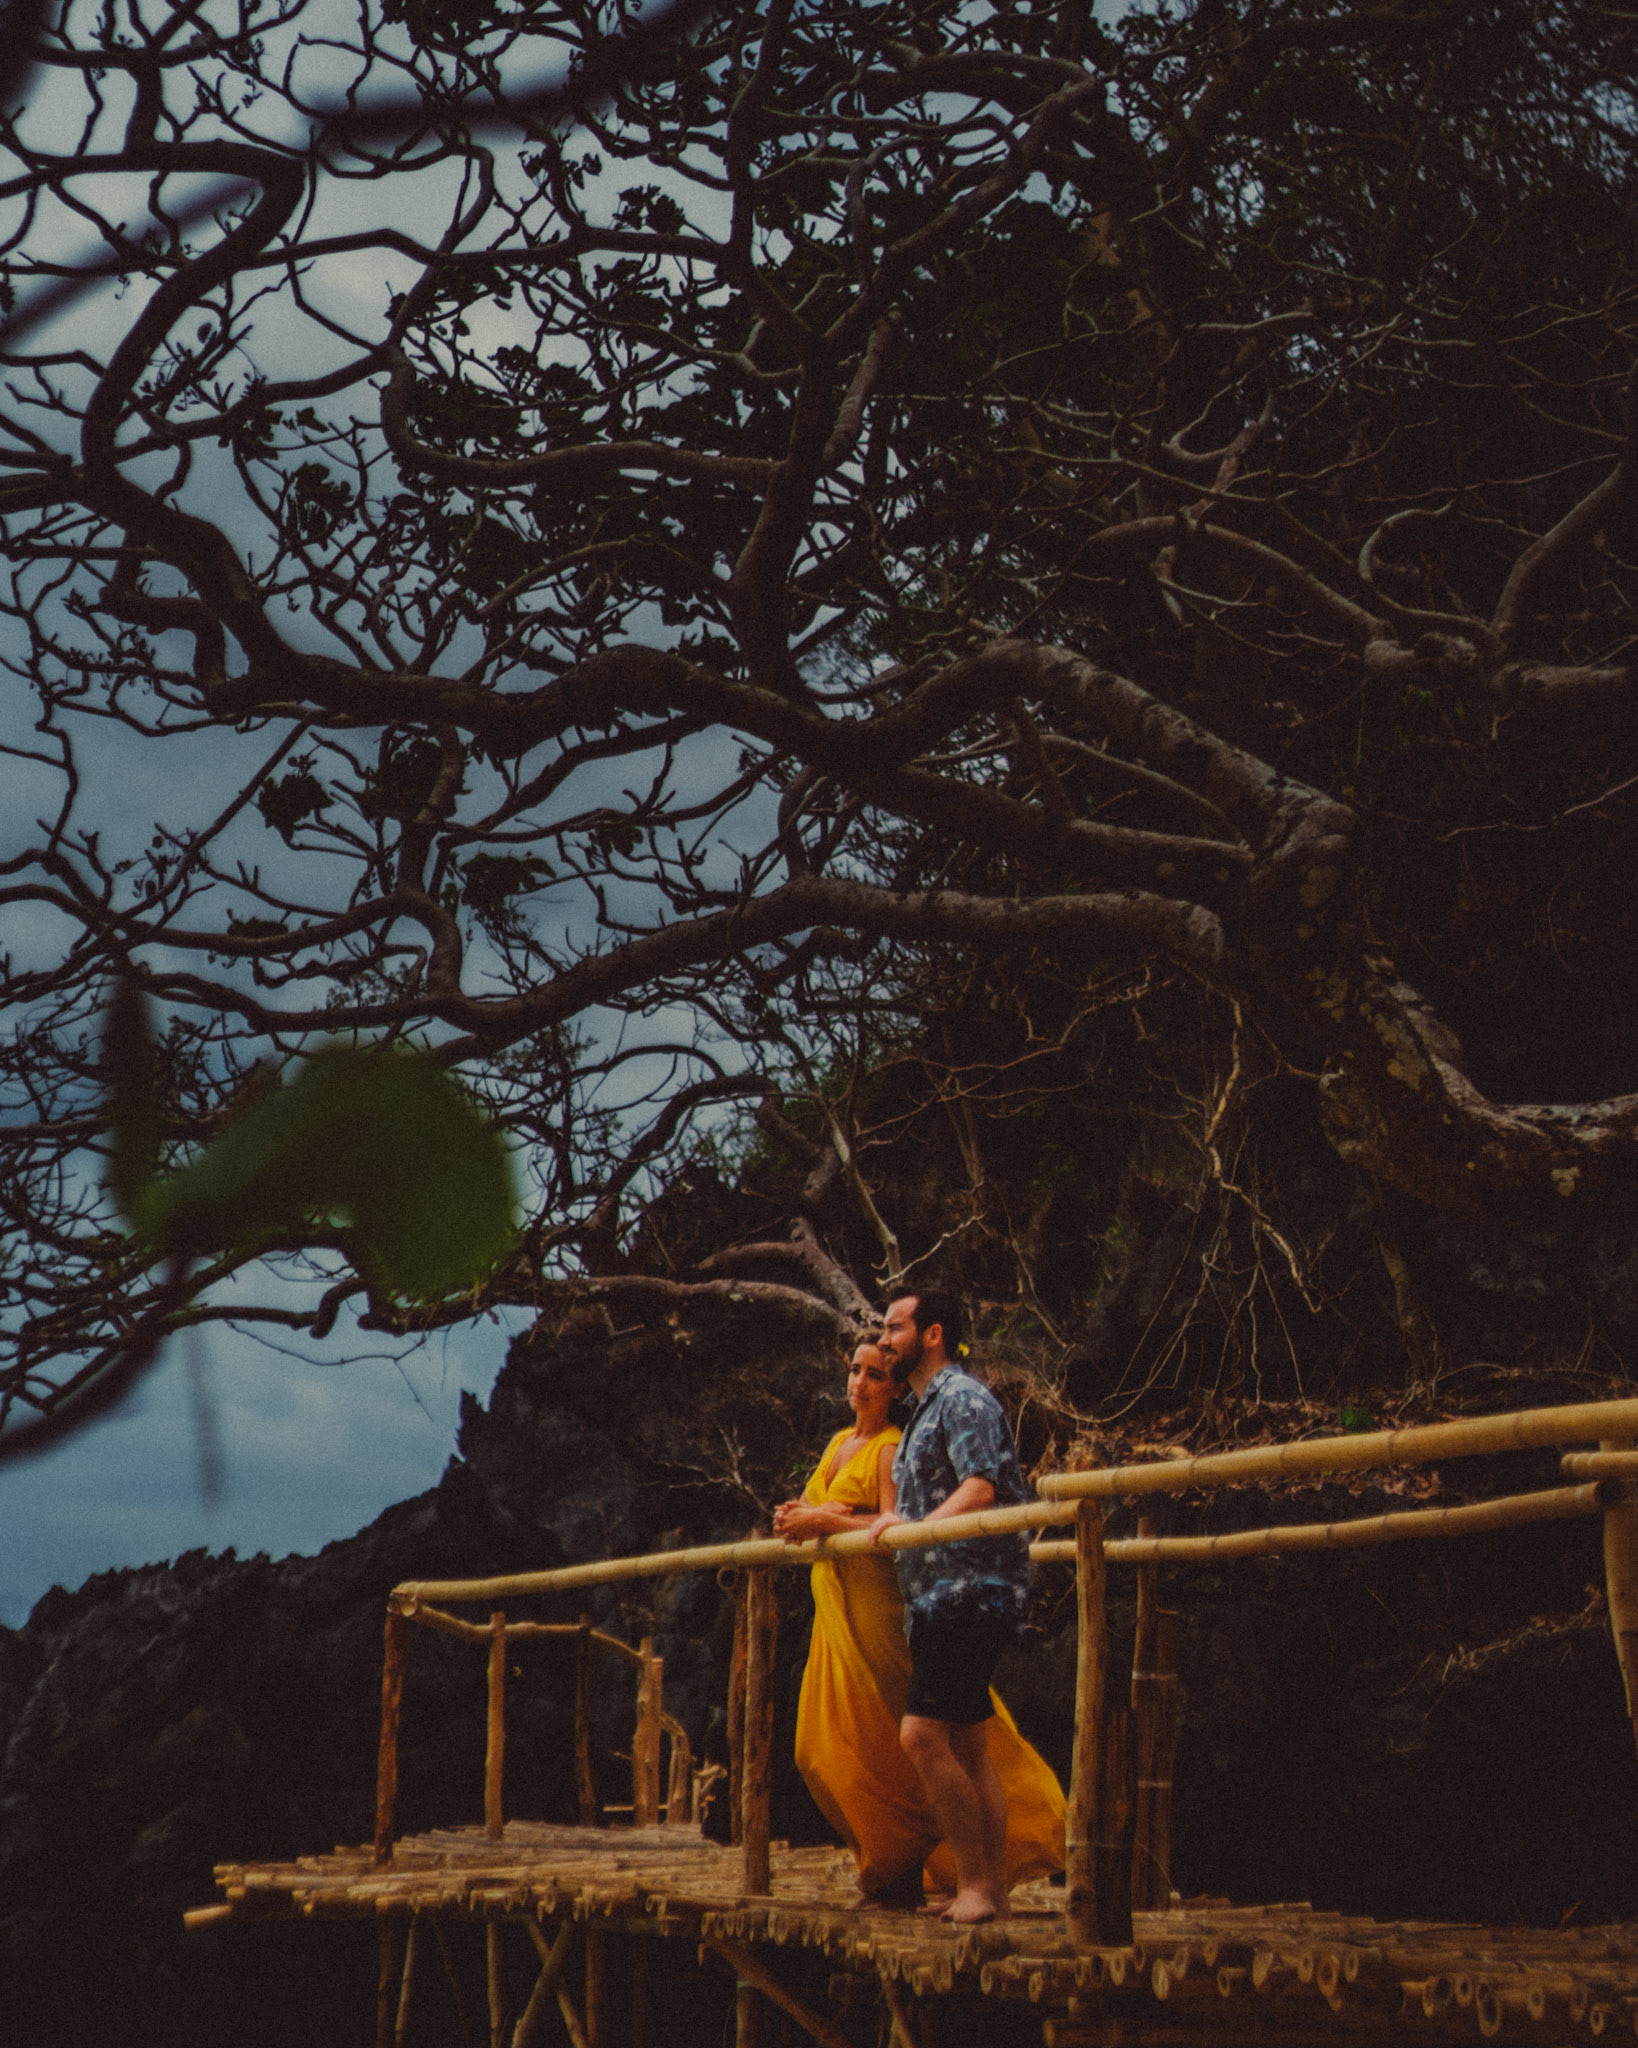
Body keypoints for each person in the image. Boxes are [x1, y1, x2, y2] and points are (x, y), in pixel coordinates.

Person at [775, 1333, 1063, 1915]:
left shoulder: (889, 1447)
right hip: (834, 1611)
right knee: (819, 1747)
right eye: (854, 1370)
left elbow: (892, 1526)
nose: (860, 1382)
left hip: (877, 1609)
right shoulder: (835, 1445)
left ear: (892, 1388)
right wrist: (801, 1519)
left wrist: (823, 1519)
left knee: (911, 1739)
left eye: (875, 1374)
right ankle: (888, 1864)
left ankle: (932, 1871)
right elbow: (828, 1518)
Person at [869, 1289, 1063, 1924]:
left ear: (932, 1335)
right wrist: (899, 1521)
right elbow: (940, 1493)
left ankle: (978, 1885)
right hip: (936, 1594)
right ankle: (987, 1889)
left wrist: (920, 1531)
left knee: (921, 1735)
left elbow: (981, 1487)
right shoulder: (923, 1410)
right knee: (968, 1746)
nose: (883, 1337)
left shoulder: (963, 1397)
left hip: (971, 1590)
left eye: (894, 1327)